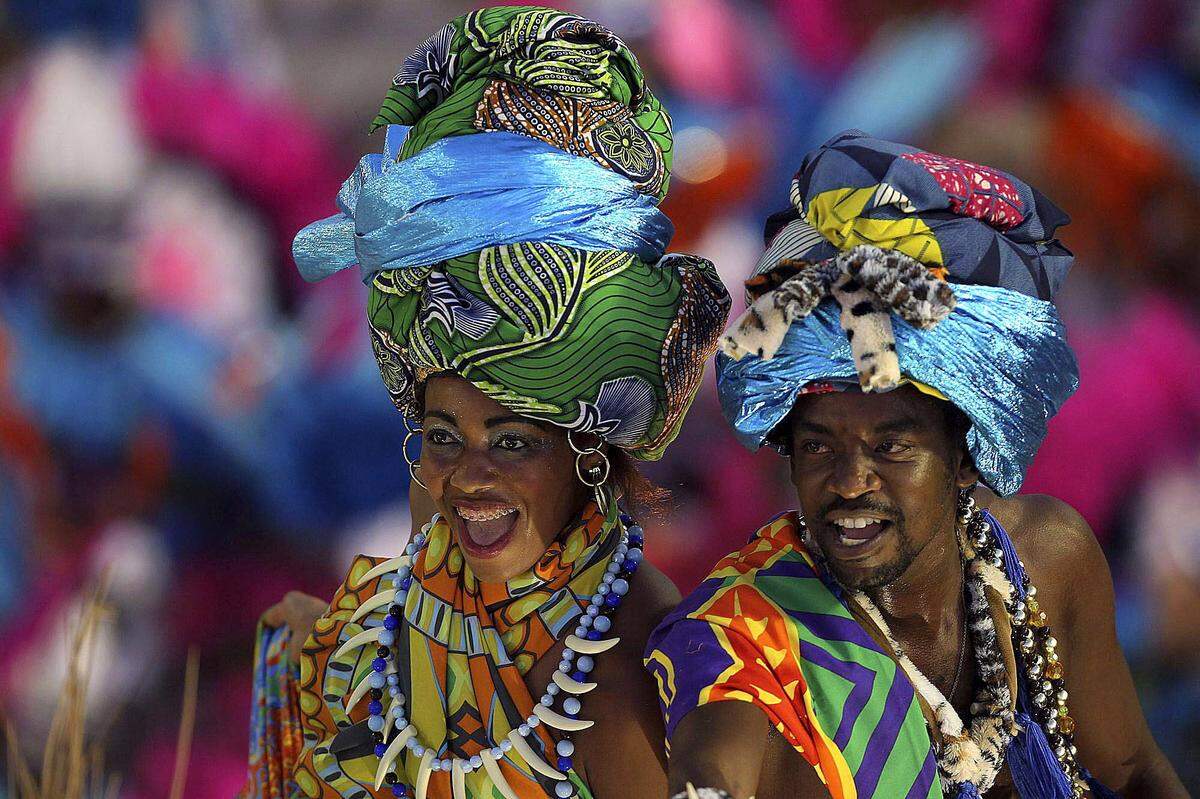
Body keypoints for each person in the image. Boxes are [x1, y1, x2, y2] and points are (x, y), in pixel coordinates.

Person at [238, 8, 730, 799]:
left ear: (587, 445)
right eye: (441, 436)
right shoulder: (418, 573)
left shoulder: (627, 658)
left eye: (511, 442)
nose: (467, 477)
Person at [644, 132, 1187, 798]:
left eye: (891, 446)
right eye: (818, 445)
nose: (849, 481)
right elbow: (713, 755)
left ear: (966, 457)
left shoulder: (1048, 555)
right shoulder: (748, 636)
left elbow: (1133, 769)